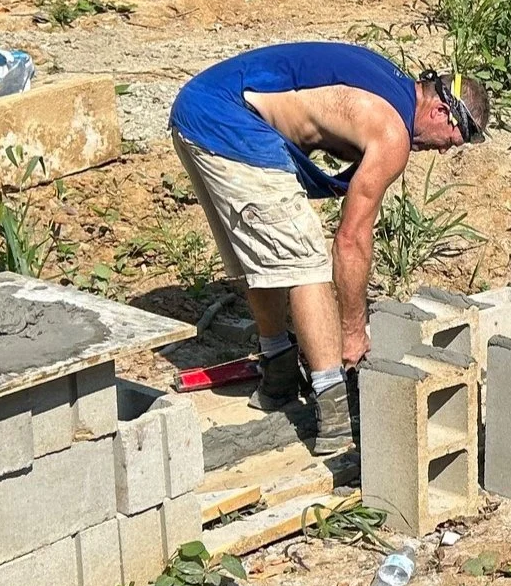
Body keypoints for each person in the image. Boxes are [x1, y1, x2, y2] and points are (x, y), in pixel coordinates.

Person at [169, 43, 489, 454]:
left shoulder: (388, 82)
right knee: (305, 263)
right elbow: (351, 240)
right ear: (441, 111)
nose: (442, 150)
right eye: (451, 141)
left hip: (200, 108)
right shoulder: (392, 133)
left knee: (269, 254)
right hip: (228, 119)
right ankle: (334, 410)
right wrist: (352, 333)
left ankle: (279, 373)